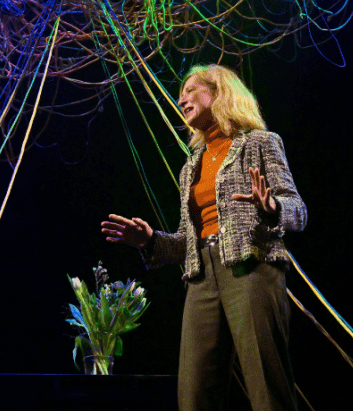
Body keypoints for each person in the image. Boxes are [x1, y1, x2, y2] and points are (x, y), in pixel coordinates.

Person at [101, 64, 307, 411]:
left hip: (251, 268)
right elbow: (186, 243)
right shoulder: (190, 166)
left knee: (265, 389)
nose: (181, 99)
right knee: (194, 394)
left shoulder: (259, 143)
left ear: (219, 92)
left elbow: (297, 210)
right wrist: (149, 240)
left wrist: (271, 205)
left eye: (190, 90)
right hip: (201, 281)